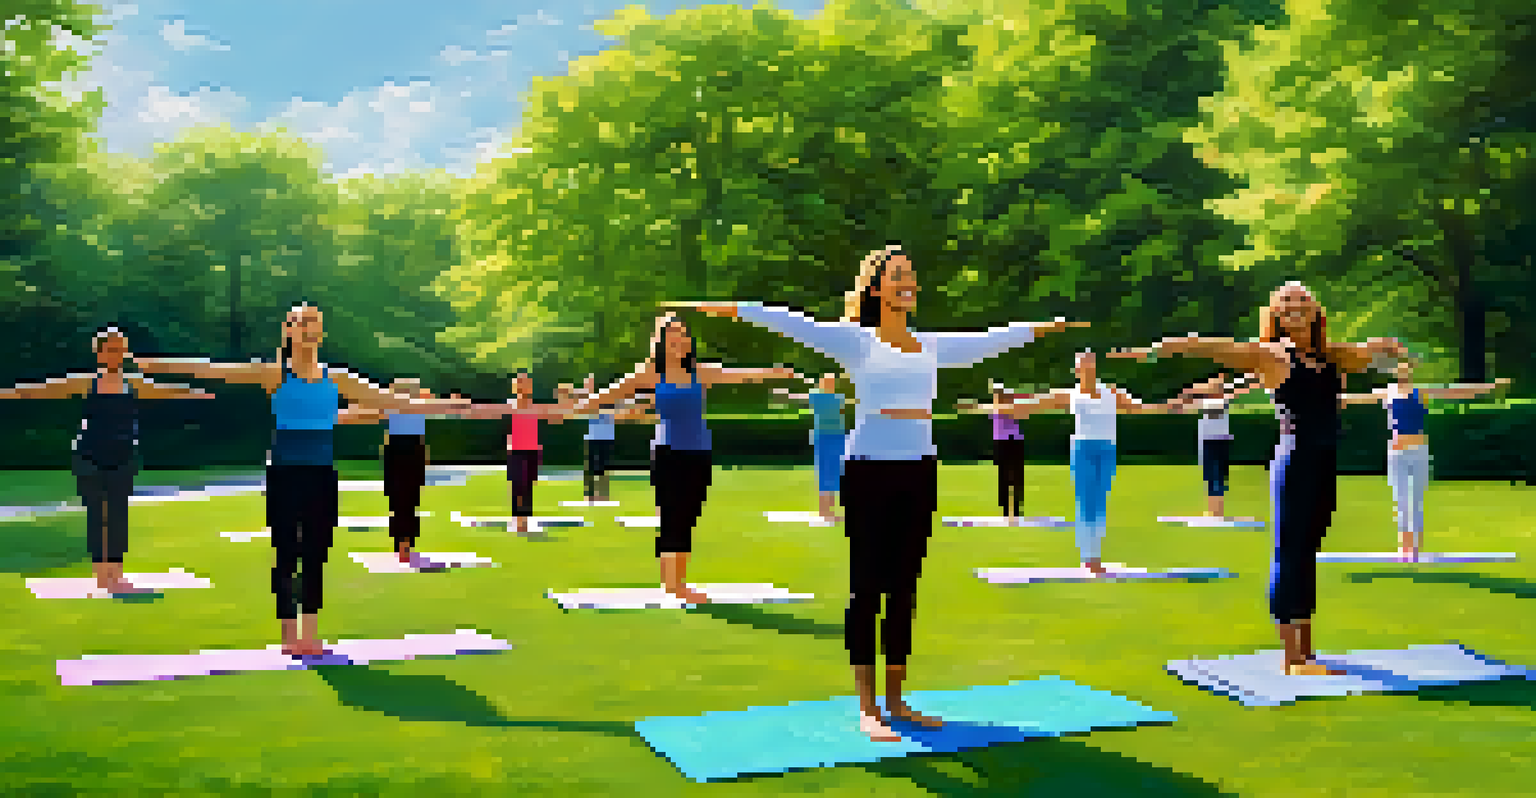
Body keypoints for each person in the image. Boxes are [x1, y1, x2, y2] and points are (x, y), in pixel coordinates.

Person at [676, 242, 1087, 742]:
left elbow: (989, 341)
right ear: (875, 287)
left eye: (911, 274)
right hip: (868, 467)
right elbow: (793, 323)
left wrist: (1044, 328)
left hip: (920, 467)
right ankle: (868, 705)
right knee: (867, 586)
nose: (907, 282)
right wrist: (733, 310)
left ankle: (897, 699)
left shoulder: (930, 345)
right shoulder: (857, 341)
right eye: (897, 275)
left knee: (905, 586)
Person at [1111, 281, 1409, 676]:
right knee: (1290, 555)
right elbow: (1215, 346)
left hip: (1324, 461)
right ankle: (1292, 658)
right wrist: (1165, 347)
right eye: (1285, 301)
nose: (1294, 305)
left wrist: (1387, 348)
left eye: (1301, 299)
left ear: (1315, 310)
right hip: (1296, 460)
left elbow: (1367, 354)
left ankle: (1307, 653)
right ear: (1276, 315)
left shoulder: (1329, 355)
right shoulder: (1272, 355)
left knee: (1307, 555)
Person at [136, 303, 469, 657]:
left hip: (321, 475)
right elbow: (215, 371)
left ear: (320, 334)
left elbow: (394, 401)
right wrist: (148, 364)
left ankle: (309, 634)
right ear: (289, 331)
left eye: (315, 324)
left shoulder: (337, 378)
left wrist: (448, 407)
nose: (309, 329)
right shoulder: (273, 374)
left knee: (315, 554)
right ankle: (287, 634)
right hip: (284, 474)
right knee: (285, 552)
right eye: (302, 323)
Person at [569, 314, 805, 606]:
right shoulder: (651, 373)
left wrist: (774, 373)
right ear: (662, 341)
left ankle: (678, 581)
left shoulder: (701, 372)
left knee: (689, 515)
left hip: (699, 452)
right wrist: (576, 407)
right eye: (673, 335)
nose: (679, 339)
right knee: (671, 515)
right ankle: (673, 584)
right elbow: (611, 393)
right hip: (667, 452)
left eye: (683, 334)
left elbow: (740, 375)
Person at [0, 326, 214, 594]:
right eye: (111, 348)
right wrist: (6, 393)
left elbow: (164, 390)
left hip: (123, 456)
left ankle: (116, 573)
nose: (117, 354)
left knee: (117, 515)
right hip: (89, 456)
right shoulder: (85, 382)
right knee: (96, 516)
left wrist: (197, 393)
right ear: (99, 352)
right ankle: (102, 574)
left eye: (120, 348)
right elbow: (37, 390)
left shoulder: (132, 383)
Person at [995, 351, 1185, 575]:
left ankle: (1095, 556)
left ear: (1094, 368)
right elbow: (1033, 405)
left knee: (1099, 503)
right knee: (1085, 503)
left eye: (1089, 365)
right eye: (1082, 366)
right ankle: (1089, 558)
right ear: (1077, 371)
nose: (1086, 369)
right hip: (1082, 450)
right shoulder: (1070, 394)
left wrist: (1172, 405)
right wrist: (993, 407)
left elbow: (1140, 407)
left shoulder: (1111, 392)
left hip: (1106, 450)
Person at [1340, 359, 1509, 560]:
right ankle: (1404, 547)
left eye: (1406, 368)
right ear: (1394, 372)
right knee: (1400, 500)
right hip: (1396, 453)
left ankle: (1416, 549)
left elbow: (1456, 392)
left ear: (1410, 371)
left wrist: (1490, 387)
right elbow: (1353, 399)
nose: (1403, 372)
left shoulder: (1421, 392)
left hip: (1418, 451)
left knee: (1416, 499)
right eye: (1399, 369)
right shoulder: (1387, 392)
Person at [1167, 372, 1262, 519]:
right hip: (1219, 440)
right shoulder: (1220, 399)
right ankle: (1216, 511)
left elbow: (1186, 401)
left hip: (1212, 441)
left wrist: (1185, 397)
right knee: (1217, 477)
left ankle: (1215, 512)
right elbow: (1185, 402)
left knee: (1213, 477)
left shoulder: (1216, 400)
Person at [771, 372, 850, 524]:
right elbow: (799, 398)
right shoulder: (824, 397)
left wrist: (786, 394)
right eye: (828, 382)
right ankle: (825, 511)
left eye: (831, 382)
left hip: (837, 438)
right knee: (827, 472)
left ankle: (829, 511)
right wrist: (787, 395)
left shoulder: (830, 397)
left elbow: (800, 397)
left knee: (832, 473)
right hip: (826, 438)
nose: (830, 384)